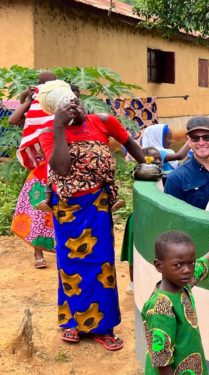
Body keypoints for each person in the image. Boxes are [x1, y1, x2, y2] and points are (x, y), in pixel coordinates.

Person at [39, 88, 147, 350]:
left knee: (101, 264)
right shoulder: (49, 132)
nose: (73, 106)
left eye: (75, 100)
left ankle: (102, 327)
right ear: (55, 109)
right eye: (65, 104)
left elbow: (129, 143)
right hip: (66, 210)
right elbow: (62, 168)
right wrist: (59, 127)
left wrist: (148, 166)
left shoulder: (102, 121)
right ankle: (72, 322)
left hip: (97, 204)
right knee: (70, 265)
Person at [142, 221, 209, 375]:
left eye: (190, 263)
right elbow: (162, 362)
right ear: (159, 266)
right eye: (178, 265)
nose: (187, 270)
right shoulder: (160, 308)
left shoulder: (183, 284)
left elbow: (203, 264)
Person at [8, 71, 57, 268]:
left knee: (59, 211)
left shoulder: (58, 108)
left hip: (59, 168)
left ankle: (60, 249)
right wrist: (29, 98)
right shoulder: (35, 113)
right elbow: (14, 119)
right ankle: (38, 253)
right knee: (37, 211)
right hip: (39, 171)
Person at [164, 117, 209, 209]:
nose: (201, 143)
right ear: (189, 141)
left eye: (207, 137)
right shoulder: (175, 179)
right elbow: (172, 217)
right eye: (195, 138)